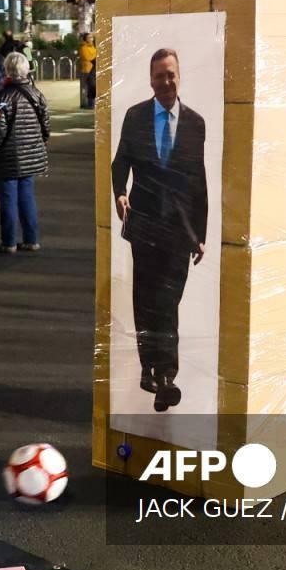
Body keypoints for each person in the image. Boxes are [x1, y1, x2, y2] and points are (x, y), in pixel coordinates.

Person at [112, 47, 207, 411]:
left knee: (168, 300)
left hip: (180, 227)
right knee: (146, 298)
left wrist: (201, 231)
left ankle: (159, 367)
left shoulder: (196, 123)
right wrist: (120, 194)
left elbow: (199, 181)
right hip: (144, 221)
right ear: (150, 80)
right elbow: (120, 163)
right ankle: (158, 373)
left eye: (170, 74)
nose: (165, 81)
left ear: (179, 76)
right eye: (159, 76)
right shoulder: (135, 117)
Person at [0, 49, 48, 253]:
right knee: (27, 197)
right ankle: (31, 239)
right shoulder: (37, 93)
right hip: (31, 155)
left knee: (8, 200)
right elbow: (46, 125)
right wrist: (40, 142)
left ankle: (9, 242)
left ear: (7, 71)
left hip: (7, 157)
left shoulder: (3, 96)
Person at [79, 34, 98, 109]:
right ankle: (90, 104)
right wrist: (95, 56)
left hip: (94, 69)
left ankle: (92, 104)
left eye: (92, 37)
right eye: (89, 37)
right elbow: (87, 57)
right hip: (87, 70)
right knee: (90, 87)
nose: (91, 39)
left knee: (93, 87)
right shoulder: (83, 48)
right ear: (85, 39)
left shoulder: (93, 47)